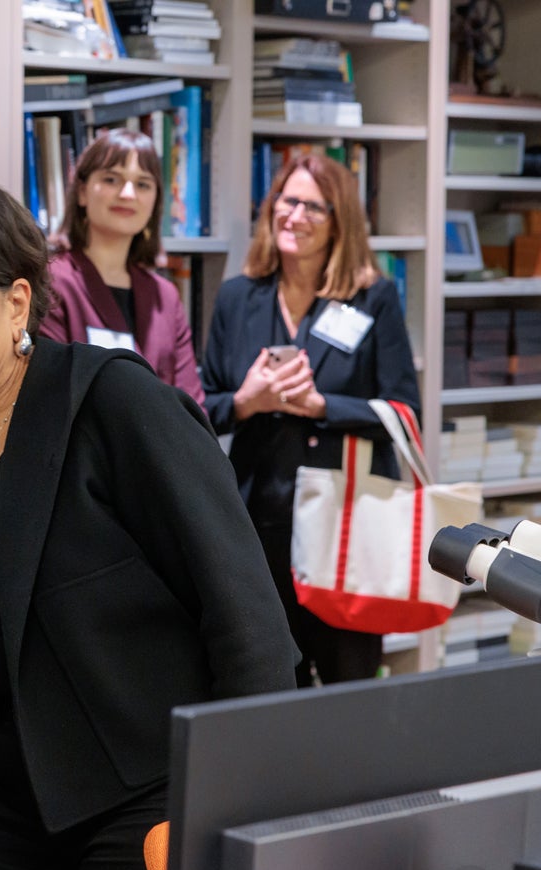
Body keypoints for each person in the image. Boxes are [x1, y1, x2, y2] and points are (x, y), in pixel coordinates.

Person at [0, 179, 297, 870]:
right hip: (9, 810)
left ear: (18, 303)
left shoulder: (112, 405)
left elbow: (248, 625)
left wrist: (230, 811)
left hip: (156, 791)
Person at [201, 154, 420, 688]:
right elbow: (203, 407)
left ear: (339, 220)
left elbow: (403, 411)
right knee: (270, 685)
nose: (294, 215)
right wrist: (247, 400)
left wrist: (323, 407)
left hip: (345, 527)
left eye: (312, 206)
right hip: (257, 528)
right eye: (287, 200)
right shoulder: (237, 297)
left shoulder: (374, 297)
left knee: (350, 688)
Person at [40, 128, 203, 403]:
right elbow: (50, 397)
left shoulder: (166, 297)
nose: (128, 194)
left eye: (143, 184)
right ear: (82, 191)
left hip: (163, 446)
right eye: (112, 179)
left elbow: (192, 407)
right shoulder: (51, 282)